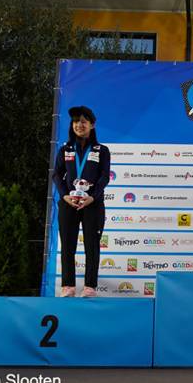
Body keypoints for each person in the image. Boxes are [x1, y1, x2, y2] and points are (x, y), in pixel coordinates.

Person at [52, 106, 110, 297]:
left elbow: (104, 177)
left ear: (92, 125)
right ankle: (68, 286)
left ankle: (90, 287)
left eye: (83, 121)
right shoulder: (65, 149)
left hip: (92, 203)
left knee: (92, 245)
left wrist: (92, 196)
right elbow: (57, 175)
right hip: (69, 203)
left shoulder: (102, 150)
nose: (79, 125)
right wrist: (64, 195)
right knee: (67, 245)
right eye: (76, 121)